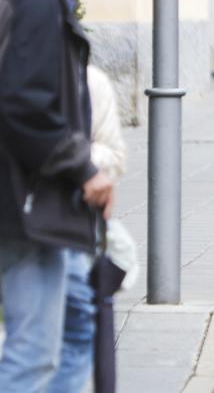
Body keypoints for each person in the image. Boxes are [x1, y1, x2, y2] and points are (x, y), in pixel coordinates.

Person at [0, 0, 114, 390]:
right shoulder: (35, 4)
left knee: (75, 325)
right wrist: (84, 168)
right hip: (28, 206)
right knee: (31, 354)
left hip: (39, 203)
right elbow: (22, 104)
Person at [53, 64, 129, 392]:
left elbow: (114, 155)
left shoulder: (89, 80)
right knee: (46, 343)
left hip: (67, 223)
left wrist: (80, 161)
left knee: (72, 333)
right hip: (28, 226)